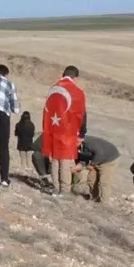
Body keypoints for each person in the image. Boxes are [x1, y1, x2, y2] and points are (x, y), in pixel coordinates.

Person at [42, 66, 87, 197]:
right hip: (68, 131)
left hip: (53, 127)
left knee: (55, 159)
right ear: (76, 77)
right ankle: (65, 190)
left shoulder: (54, 88)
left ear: (63, 74)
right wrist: (82, 133)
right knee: (65, 160)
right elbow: (82, 114)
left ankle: (55, 187)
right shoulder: (77, 92)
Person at [72, 135, 120, 203]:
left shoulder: (90, 143)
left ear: (80, 140)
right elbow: (84, 158)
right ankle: (95, 198)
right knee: (91, 180)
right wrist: (77, 167)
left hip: (109, 160)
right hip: (97, 160)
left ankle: (104, 203)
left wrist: (92, 164)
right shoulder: (80, 147)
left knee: (104, 182)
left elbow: (100, 153)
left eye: (75, 142)